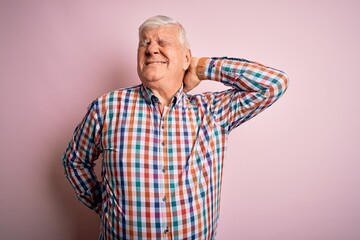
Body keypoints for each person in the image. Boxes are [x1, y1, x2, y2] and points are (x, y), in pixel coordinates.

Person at [63, 15, 289, 239]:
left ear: (185, 58)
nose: (151, 49)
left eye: (163, 42)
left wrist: (203, 67)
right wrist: (103, 206)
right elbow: (75, 161)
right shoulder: (107, 107)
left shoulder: (213, 110)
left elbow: (274, 84)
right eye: (144, 43)